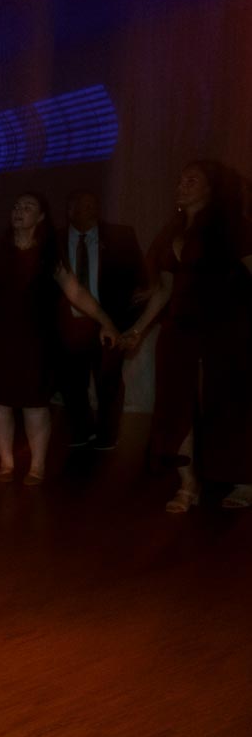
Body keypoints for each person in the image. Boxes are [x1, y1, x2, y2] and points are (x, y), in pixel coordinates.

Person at [0, 194, 120, 484]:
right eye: (17, 206)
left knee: (35, 403)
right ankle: (6, 463)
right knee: (0, 402)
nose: (20, 210)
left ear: (41, 217)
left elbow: (76, 292)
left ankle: (37, 465)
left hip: (37, 341)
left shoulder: (49, 252)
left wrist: (106, 322)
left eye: (28, 207)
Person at [122, 161, 252, 511]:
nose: (181, 185)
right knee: (175, 407)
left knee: (227, 403)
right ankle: (188, 484)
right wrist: (137, 330)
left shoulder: (234, 229)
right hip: (179, 331)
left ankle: (243, 478)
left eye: (191, 180)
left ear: (212, 189)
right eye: (180, 180)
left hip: (225, 329)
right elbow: (166, 289)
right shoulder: (173, 231)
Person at [57, 190, 147, 450]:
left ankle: (107, 435)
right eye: (82, 204)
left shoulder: (121, 236)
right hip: (69, 324)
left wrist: (131, 323)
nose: (89, 208)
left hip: (110, 322)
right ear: (69, 210)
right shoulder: (55, 240)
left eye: (92, 204)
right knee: (71, 382)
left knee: (108, 381)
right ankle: (80, 430)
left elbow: (139, 281)